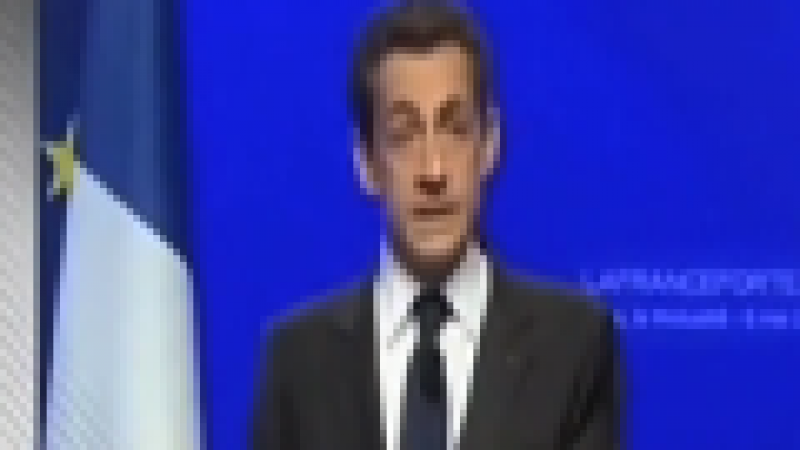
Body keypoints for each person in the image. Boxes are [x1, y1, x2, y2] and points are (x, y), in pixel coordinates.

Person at [249, 2, 623, 450]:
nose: (433, 170)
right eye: (404, 134)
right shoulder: (298, 361)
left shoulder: (573, 347)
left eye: (455, 128)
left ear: (490, 144)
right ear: (366, 162)